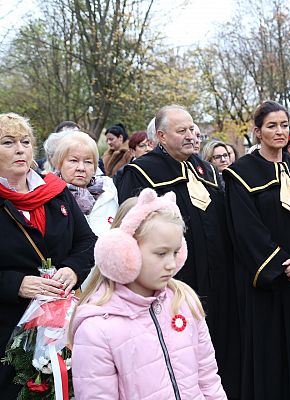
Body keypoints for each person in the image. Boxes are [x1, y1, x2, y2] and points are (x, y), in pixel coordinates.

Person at [117, 104, 239, 398]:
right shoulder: (140, 173)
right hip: (176, 280)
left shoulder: (205, 168)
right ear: (161, 135)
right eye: (181, 130)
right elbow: (135, 230)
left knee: (218, 351)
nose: (191, 135)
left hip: (219, 279)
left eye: (192, 128)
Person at [71, 188, 226, 400]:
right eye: (161, 253)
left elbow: (208, 378)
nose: (171, 264)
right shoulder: (97, 329)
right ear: (124, 251)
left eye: (175, 252)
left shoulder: (184, 301)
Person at [223, 100, 290, 400]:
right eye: (271, 126)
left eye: (283, 125)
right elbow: (245, 231)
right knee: (270, 356)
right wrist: (281, 265)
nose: (280, 131)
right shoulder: (240, 174)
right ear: (257, 132)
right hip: (266, 285)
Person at [0, 113, 96, 398]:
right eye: (8, 142)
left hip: (61, 325)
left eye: (26, 142)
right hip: (8, 332)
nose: (20, 149)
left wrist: (73, 269)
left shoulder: (55, 192)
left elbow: (88, 242)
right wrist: (15, 284)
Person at [52, 131, 118, 237]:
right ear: (59, 164)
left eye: (88, 162)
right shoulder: (50, 195)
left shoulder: (108, 189)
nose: (81, 168)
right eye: (73, 160)